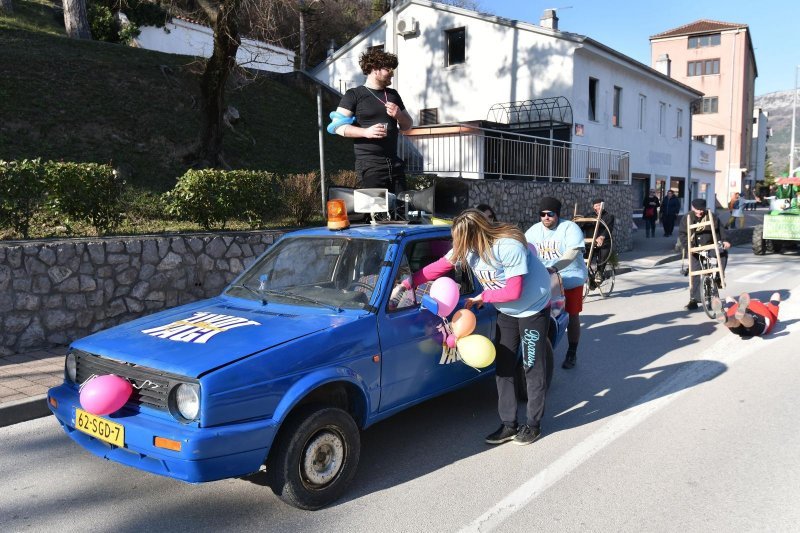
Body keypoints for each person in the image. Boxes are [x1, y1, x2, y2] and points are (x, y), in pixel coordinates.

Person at [403, 209, 553, 446]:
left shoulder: (507, 246)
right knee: (503, 366)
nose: (456, 245)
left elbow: (514, 291)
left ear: (474, 234)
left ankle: (533, 425)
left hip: (533, 308)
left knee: (531, 366)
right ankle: (508, 425)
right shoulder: (467, 248)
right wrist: (410, 281)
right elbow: (440, 266)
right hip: (508, 310)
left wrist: (483, 296)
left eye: (459, 239)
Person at [333, 49, 413, 193]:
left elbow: (408, 125)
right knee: (377, 211)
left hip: (394, 163)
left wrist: (399, 115)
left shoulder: (393, 95)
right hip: (370, 165)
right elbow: (337, 127)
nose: (392, 73)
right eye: (388, 69)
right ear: (374, 69)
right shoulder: (354, 95)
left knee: (401, 210)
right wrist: (365, 132)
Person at [525, 197, 587, 369]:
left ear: (557, 215)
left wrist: (555, 267)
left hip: (570, 278)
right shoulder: (533, 231)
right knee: (543, 316)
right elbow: (524, 251)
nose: (546, 217)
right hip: (545, 280)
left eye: (550, 214)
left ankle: (572, 352)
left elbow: (572, 253)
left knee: (572, 314)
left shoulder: (570, 228)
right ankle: (544, 352)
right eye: (542, 214)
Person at [678, 198, 731, 310]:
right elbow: (682, 235)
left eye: (702, 209)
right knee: (695, 273)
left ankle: (716, 288)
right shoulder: (687, 218)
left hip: (711, 246)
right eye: (697, 210)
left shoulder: (711, 216)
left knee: (721, 256)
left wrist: (725, 240)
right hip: (695, 248)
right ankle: (694, 300)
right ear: (692, 208)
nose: (700, 212)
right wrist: (689, 248)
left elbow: (720, 230)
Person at [711, 292, 781, 337]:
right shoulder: (769, 312)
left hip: (737, 327)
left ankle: (726, 320)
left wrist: (735, 302)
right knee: (750, 320)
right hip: (759, 324)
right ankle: (741, 314)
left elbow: (729, 298)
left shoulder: (734, 306)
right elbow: (776, 296)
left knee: (733, 321)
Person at [582, 198, 615, 284]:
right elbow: (582, 226)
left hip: (603, 243)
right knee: (583, 260)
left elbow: (609, 229)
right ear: (593, 207)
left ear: (603, 206)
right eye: (596, 205)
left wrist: (602, 237)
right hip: (590, 243)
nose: (598, 207)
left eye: (600, 205)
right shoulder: (589, 216)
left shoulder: (609, 216)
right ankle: (588, 278)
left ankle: (599, 273)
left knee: (602, 256)